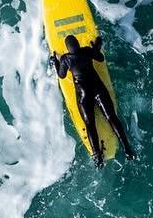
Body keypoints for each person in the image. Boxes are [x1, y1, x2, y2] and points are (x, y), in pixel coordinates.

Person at [51, 34, 135, 166]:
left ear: (68, 49)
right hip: (98, 89)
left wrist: (55, 63)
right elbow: (100, 59)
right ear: (78, 44)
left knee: (90, 124)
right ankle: (127, 148)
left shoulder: (66, 59)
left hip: (84, 96)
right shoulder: (86, 51)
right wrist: (95, 48)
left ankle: (98, 157)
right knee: (111, 117)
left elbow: (61, 75)